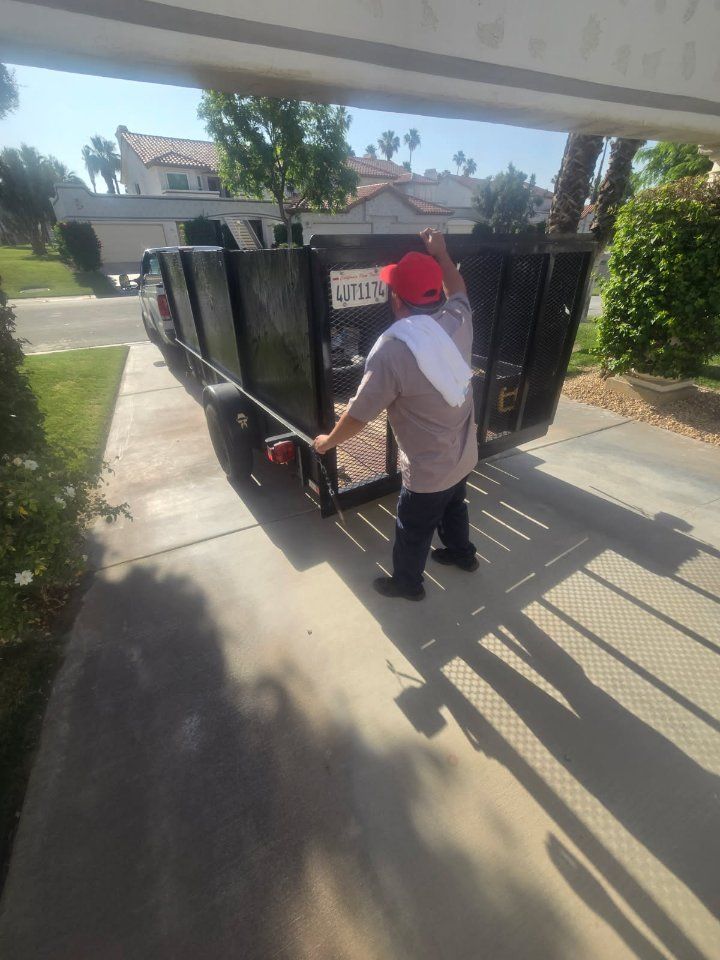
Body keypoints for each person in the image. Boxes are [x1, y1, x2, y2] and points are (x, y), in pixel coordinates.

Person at [313, 228, 479, 601]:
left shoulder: (392, 351)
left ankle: (408, 584)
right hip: (463, 453)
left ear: (397, 300)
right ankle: (462, 555)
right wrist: (441, 252)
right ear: (436, 294)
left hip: (429, 468)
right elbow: (458, 287)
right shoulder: (458, 319)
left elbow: (359, 415)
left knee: (413, 527)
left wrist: (327, 442)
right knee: (454, 504)